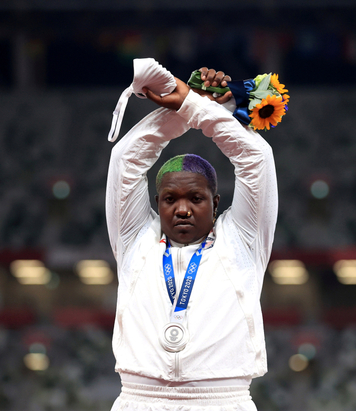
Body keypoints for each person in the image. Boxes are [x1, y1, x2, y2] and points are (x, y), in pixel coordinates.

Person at [106, 67, 278, 411]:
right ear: (157, 203)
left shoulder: (243, 239)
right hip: (140, 400)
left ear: (215, 203)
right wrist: (190, 107)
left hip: (221, 401)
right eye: (171, 199)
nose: (182, 209)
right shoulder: (134, 237)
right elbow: (126, 159)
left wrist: (195, 106)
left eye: (195, 199)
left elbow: (255, 160)